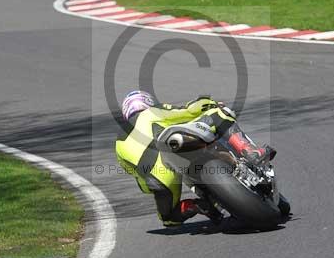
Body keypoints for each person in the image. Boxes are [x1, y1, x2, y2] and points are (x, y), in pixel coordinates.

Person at [115, 91, 268, 227]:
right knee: (218, 113)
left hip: (159, 178)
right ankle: (249, 150)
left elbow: (138, 177)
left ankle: (197, 205)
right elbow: (187, 111)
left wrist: (153, 184)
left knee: (169, 218)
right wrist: (208, 102)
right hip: (172, 146)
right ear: (147, 102)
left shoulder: (118, 145)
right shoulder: (151, 112)